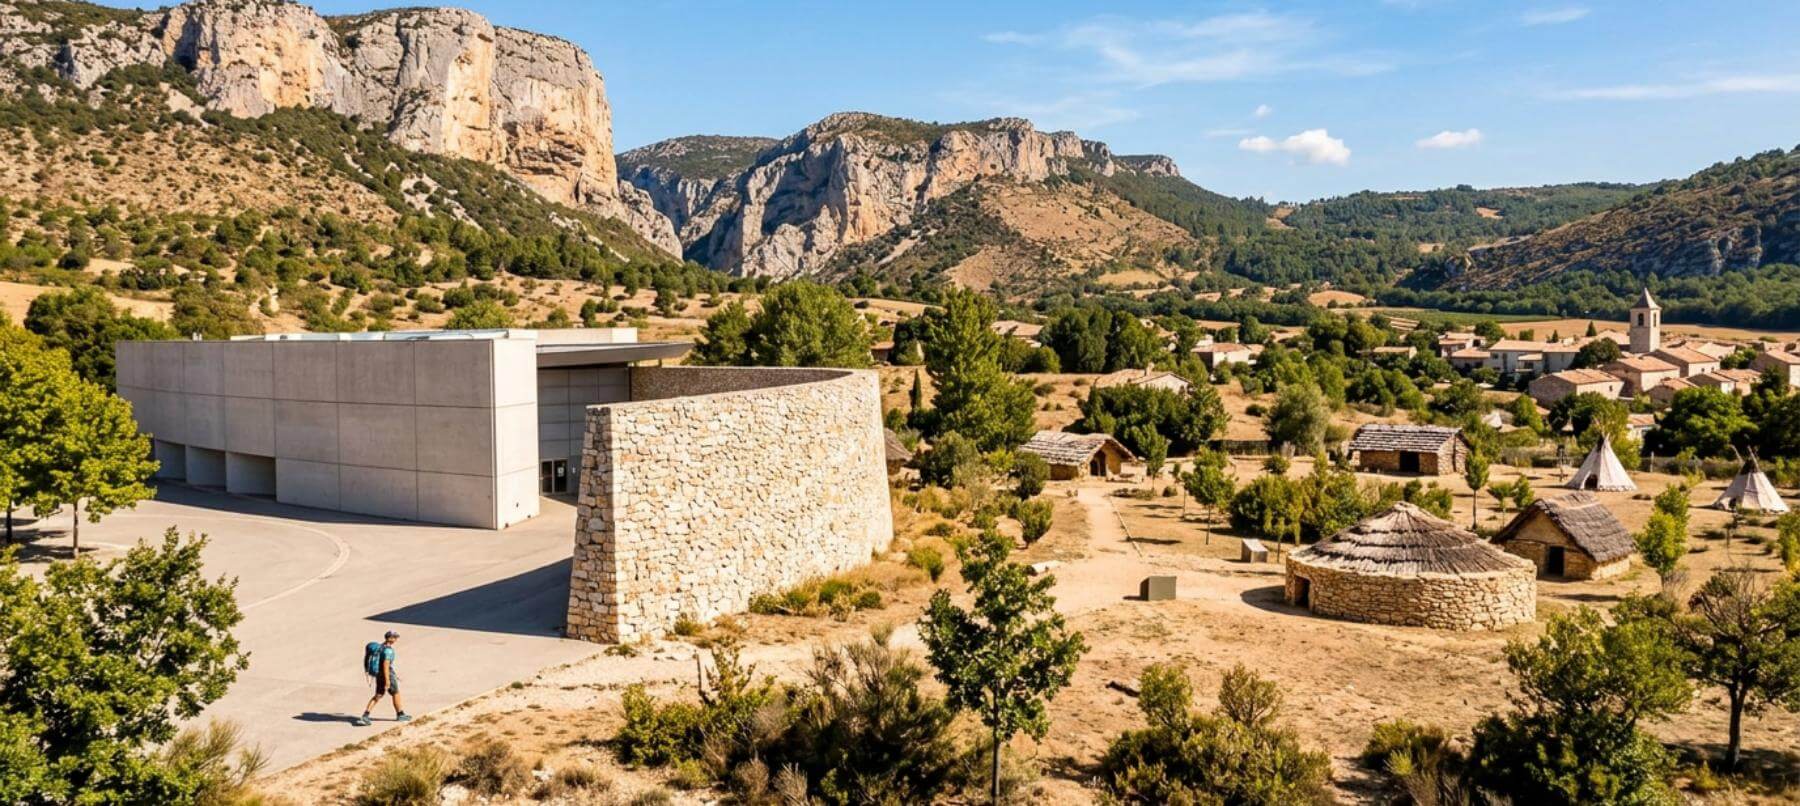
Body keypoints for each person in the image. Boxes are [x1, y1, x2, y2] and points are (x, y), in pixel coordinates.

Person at [355, 630, 411, 726]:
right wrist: (388, 681)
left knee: (378, 695)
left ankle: (365, 715)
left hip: (379, 674)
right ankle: (400, 714)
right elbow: (386, 665)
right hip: (387, 674)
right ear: (390, 638)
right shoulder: (388, 651)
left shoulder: (380, 647)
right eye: (395, 637)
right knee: (396, 693)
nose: (396, 639)